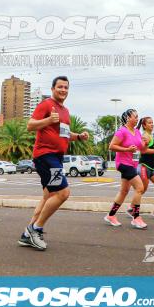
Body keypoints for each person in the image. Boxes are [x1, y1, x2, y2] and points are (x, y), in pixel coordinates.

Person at [18, 76, 89, 250]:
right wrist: (48, 120)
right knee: (63, 193)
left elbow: (64, 134)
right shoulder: (46, 104)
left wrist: (79, 136)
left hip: (56, 157)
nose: (63, 90)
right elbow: (30, 125)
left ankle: (27, 235)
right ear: (52, 89)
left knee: (48, 196)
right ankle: (36, 229)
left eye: (66, 87)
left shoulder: (65, 111)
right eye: (60, 87)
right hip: (45, 155)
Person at [105, 109, 149, 229]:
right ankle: (136, 218)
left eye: (137, 116)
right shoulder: (122, 131)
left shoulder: (137, 132)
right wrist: (127, 149)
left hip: (133, 164)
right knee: (140, 187)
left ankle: (111, 215)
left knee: (124, 191)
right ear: (128, 118)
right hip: (123, 163)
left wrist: (146, 143)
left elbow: (142, 148)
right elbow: (111, 146)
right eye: (135, 116)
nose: (136, 118)